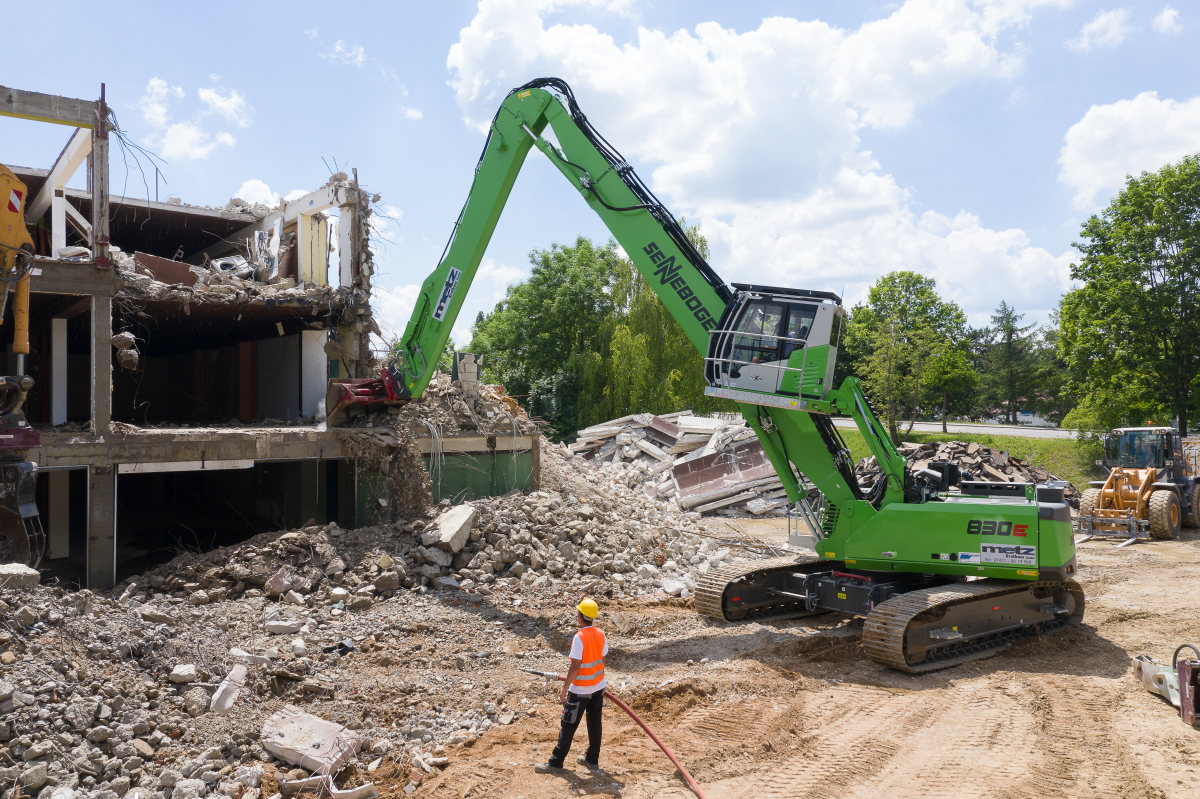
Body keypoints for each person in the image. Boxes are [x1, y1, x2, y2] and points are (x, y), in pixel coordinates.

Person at [535, 598, 608, 773]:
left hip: (580, 690)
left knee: (568, 725)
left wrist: (565, 688)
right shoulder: (600, 633)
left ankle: (556, 763)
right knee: (595, 724)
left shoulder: (579, 637)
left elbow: (575, 666)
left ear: (580, 616)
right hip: (598, 687)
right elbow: (603, 660)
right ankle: (592, 759)